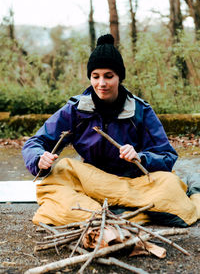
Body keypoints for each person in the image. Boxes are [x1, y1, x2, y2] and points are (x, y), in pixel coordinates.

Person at [22, 34, 200, 227]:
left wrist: (141, 157)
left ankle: (98, 215)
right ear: (90, 77)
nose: (102, 84)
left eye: (109, 76)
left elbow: (166, 155)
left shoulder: (140, 111)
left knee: (170, 185)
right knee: (60, 172)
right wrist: (39, 158)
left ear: (119, 77)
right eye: (95, 76)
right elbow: (35, 142)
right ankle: (123, 215)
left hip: (133, 186)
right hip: (91, 183)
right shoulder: (76, 110)